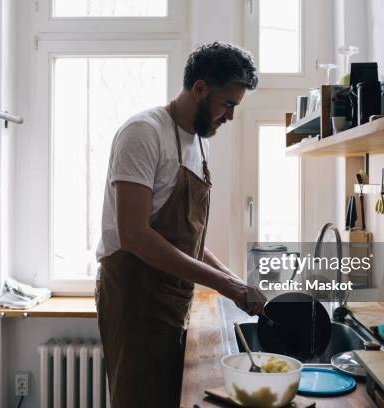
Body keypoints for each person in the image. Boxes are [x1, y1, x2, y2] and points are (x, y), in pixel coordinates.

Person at [95, 42, 266, 407]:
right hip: (135, 298)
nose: (230, 117)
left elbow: (187, 239)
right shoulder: (143, 133)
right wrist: (226, 285)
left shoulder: (199, 143)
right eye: (228, 105)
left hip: (173, 297)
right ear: (200, 88)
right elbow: (136, 235)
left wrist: (236, 283)